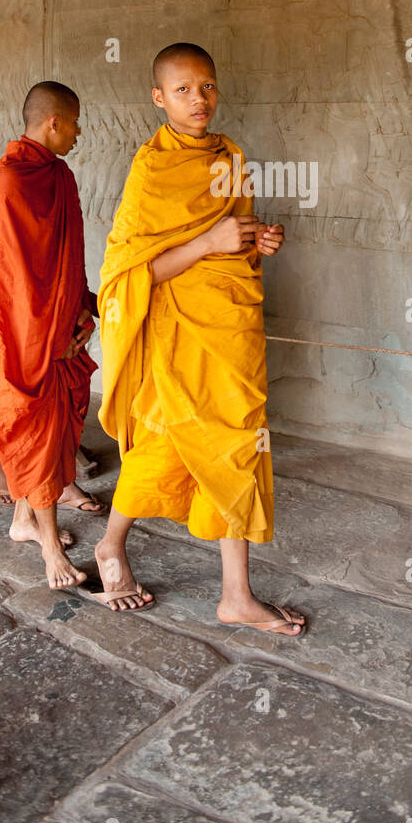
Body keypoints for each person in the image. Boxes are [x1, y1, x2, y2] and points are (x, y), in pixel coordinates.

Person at [93, 43, 305, 635]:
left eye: (207, 87)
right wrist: (208, 245)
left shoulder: (230, 156)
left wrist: (255, 240)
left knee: (239, 441)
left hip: (230, 331)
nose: (198, 100)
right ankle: (110, 545)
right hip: (176, 334)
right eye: (183, 90)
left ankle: (236, 594)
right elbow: (129, 275)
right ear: (158, 97)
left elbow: (230, 240)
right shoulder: (151, 170)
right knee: (164, 447)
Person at [0, 81, 105, 589]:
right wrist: (50, 334)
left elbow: (66, 256)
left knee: (59, 426)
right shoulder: (6, 180)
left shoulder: (60, 175)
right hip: (26, 334)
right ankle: (51, 548)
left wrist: (80, 306)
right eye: (75, 123)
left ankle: (23, 519)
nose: (79, 133)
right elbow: (8, 277)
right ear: (54, 122)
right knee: (36, 428)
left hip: (61, 323)